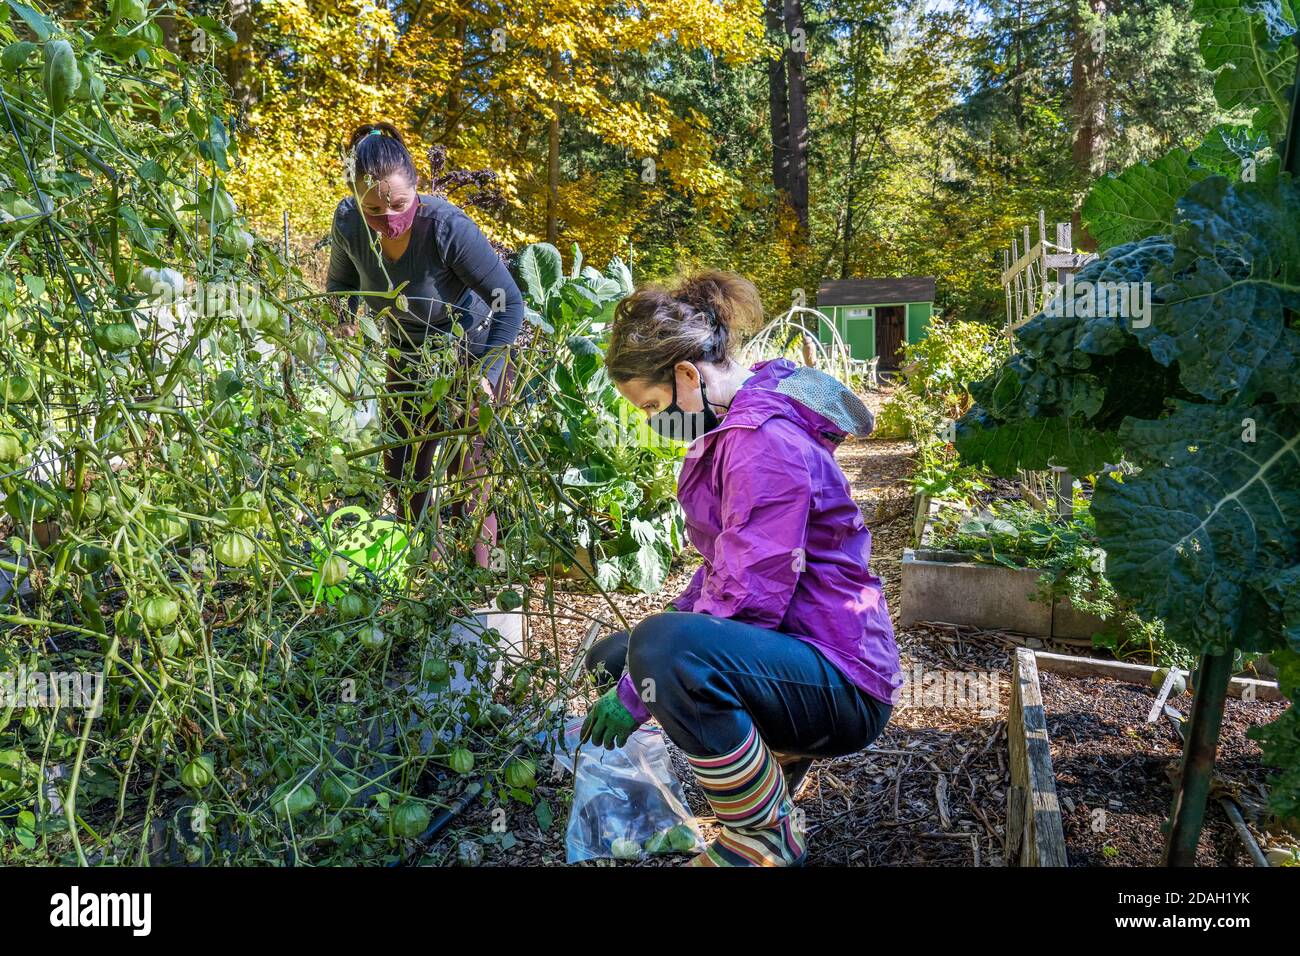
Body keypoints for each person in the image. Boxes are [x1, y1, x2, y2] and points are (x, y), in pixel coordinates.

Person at [579, 271, 902, 867]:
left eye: (653, 406)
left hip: (843, 679)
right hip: (802, 658)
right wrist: (633, 670)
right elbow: (720, 572)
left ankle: (763, 837)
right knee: (626, 652)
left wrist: (638, 689)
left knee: (663, 653)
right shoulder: (734, 427)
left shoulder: (761, 442)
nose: (655, 420)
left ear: (685, 376)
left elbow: (749, 597)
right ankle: (773, 771)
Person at [325, 122, 524, 567]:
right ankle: (428, 569)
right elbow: (340, 287)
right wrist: (338, 325)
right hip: (406, 355)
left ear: (416, 189)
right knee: (401, 466)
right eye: (374, 209)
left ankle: (481, 578)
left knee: (469, 469)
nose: (389, 219)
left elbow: (509, 302)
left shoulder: (446, 228)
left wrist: (486, 374)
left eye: (398, 205)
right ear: (357, 201)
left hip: (470, 348)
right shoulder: (348, 224)